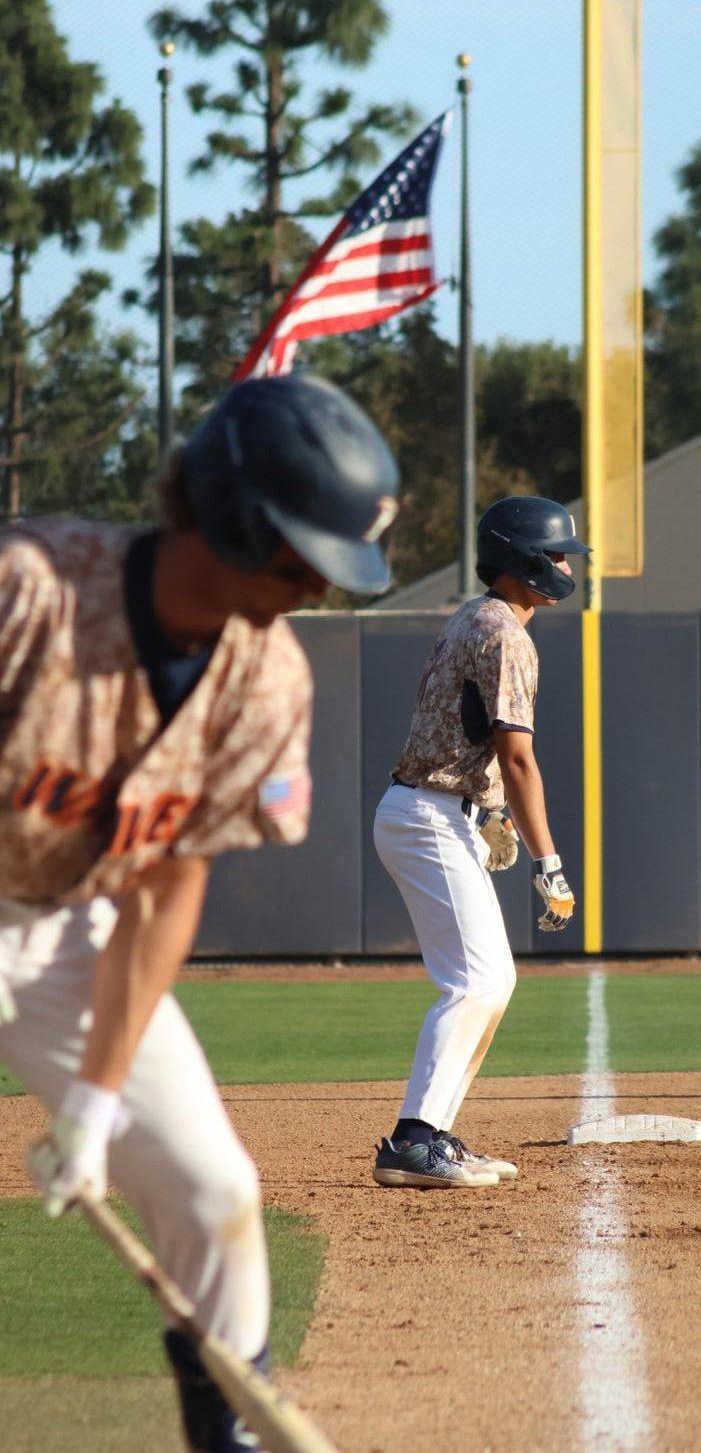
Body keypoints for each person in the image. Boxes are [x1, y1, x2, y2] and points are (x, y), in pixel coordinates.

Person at [0, 374, 399, 1453]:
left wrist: (93, 1098)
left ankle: (229, 1427)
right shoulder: (30, 587)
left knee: (215, 1191)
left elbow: (169, 886)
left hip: (66, 933)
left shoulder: (267, 682)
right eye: (300, 556)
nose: (318, 585)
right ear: (229, 514)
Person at [372, 495, 589, 1188]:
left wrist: (490, 811)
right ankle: (412, 1142)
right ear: (522, 559)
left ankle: (431, 1134)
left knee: (489, 982)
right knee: (477, 982)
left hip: (435, 809)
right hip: (429, 814)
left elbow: (458, 724)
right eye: (555, 554)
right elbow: (516, 754)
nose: (564, 565)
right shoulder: (507, 635)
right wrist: (547, 861)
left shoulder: (476, 615)